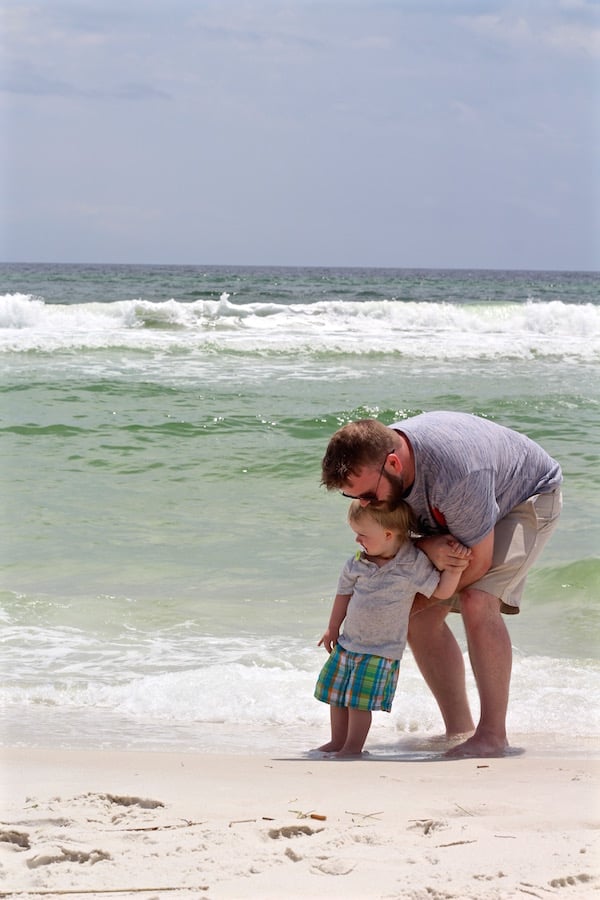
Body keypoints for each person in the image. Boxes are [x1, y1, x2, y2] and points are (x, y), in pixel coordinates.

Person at [321, 411, 563, 758]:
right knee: (420, 618)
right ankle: (459, 730)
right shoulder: (384, 471)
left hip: (523, 497)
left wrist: (402, 607)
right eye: (353, 498)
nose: (365, 505)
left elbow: (478, 561)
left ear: (393, 462)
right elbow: (393, 541)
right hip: (460, 507)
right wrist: (425, 545)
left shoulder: (457, 477)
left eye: (370, 496)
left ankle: (492, 736)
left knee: (478, 599)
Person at [314, 500, 471, 757]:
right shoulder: (357, 563)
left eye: (362, 535)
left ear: (388, 535)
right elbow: (343, 594)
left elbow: (441, 591)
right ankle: (337, 741)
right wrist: (332, 628)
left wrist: (454, 571)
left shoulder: (411, 565)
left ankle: (353, 747)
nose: (357, 540)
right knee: (337, 696)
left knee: (357, 702)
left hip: (380, 651)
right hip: (349, 643)